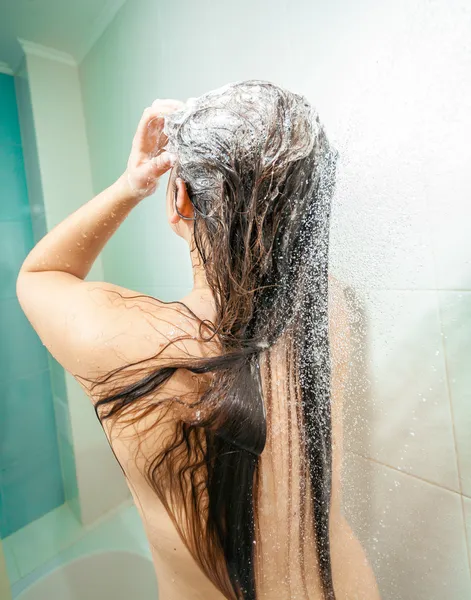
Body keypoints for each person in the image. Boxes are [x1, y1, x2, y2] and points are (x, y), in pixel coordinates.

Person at [17, 81, 380, 600]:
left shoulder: (134, 346)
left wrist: (131, 184)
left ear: (181, 201)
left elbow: (40, 274)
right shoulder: (331, 314)